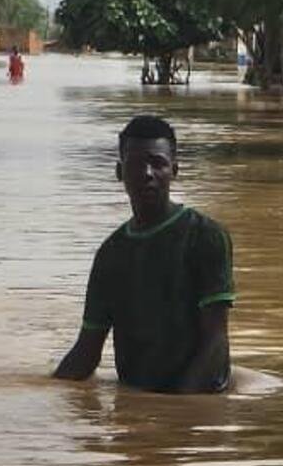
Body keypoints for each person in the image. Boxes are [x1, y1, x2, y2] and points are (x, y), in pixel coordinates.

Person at [53, 115, 235, 393]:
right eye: (137, 164)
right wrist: (41, 396)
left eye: (158, 163)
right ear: (119, 172)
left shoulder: (205, 236)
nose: (147, 173)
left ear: (174, 170)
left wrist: (174, 412)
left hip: (198, 400)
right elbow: (87, 350)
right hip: (136, 399)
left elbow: (216, 342)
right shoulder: (111, 253)